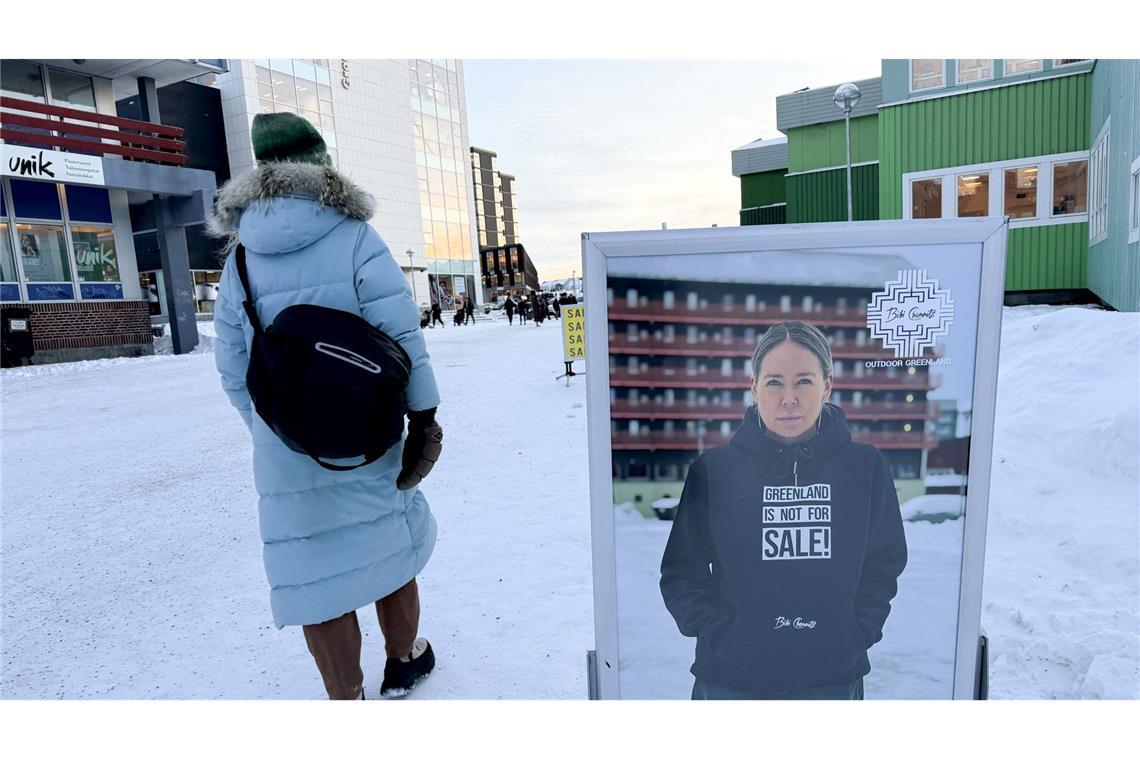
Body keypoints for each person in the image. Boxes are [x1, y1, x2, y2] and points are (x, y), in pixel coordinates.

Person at [211, 112, 443, 700]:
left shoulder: (239, 260)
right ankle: (403, 659)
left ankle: (347, 695)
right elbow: (402, 338)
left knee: (315, 573)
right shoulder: (358, 236)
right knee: (386, 543)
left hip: (286, 451)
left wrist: (276, 429)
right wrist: (424, 417)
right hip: (369, 433)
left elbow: (232, 365)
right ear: (319, 164)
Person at [660, 320, 907, 700]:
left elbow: (884, 562)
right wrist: (723, 635)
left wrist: (856, 632)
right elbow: (681, 574)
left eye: (804, 381)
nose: (788, 397)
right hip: (730, 683)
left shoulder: (865, 467)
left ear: (827, 385)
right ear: (754, 387)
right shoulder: (714, 470)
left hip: (832, 681)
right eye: (774, 381)